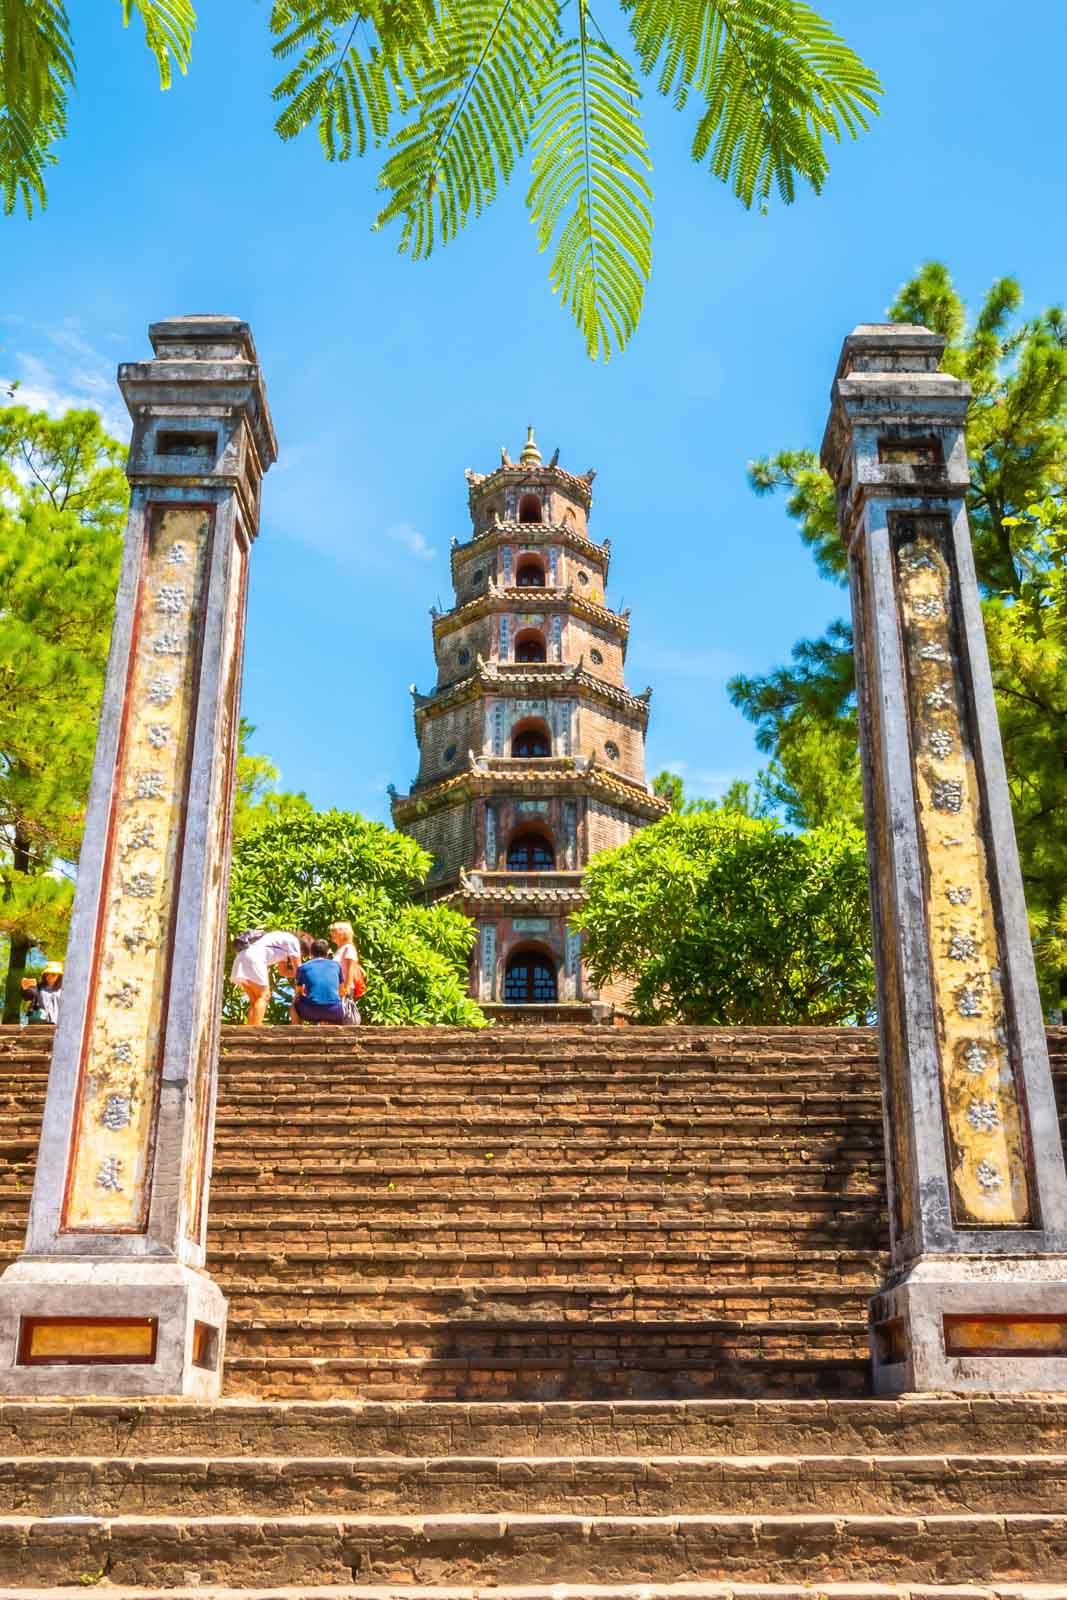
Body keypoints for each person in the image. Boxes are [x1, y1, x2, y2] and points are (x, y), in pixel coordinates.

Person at [230, 930, 309, 1026]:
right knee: (264, 995)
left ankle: (249, 1028)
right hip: (255, 958)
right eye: (303, 954)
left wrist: (300, 974)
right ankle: (256, 1029)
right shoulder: (293, 942)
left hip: (242, 956)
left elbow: (282, 971)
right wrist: (305, 983)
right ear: (302, 948)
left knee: (255, 1000)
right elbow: (298, 970)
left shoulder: (282, 940)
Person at [290, 938, 345, 1026]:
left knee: (294, 1003)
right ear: (327, 953)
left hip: (311, 1011)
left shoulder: (303, 967)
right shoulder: (336, 966)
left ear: (311, 953)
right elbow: (342, 992)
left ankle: (297, 1030)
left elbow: (298, 994)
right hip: (334, 1011)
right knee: (338, 1002)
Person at [330, 921, 363, 1025]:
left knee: (343, 1016)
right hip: (337, 988)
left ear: (342, 933)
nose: (331, 933)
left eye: (334, 931)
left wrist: (347, 988)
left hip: (344, 988)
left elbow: (350, 969)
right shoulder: (340, 949)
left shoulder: (348, 948)